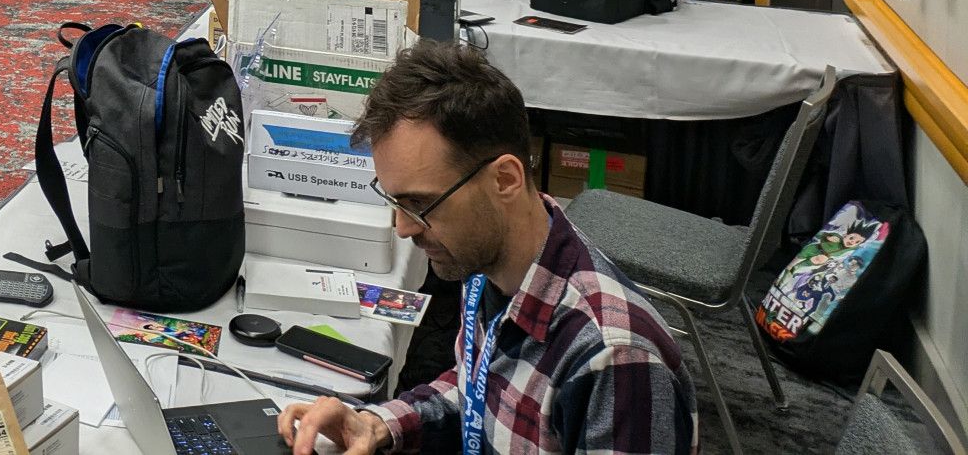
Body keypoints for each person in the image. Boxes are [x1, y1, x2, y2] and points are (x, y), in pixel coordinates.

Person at [277, 44, 697, 454]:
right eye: (395, 202)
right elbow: (479, 391)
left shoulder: (615, 361)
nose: (403, 228)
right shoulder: (488, 260)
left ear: (505, 180)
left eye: (421, 204)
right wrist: (376, 424)